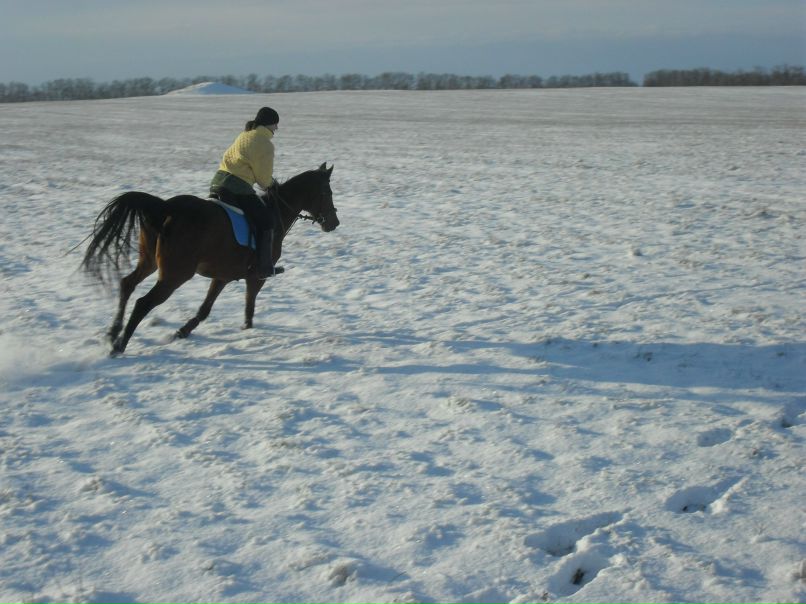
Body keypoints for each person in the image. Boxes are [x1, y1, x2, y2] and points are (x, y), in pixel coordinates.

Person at [210, 106, 281, 279]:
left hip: (217, 183)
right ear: (269, 124)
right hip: (238, 188)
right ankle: (264, 267)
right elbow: (263, 180)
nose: (277, 129)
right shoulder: (265, 144)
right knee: (266, 220)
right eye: (276, 124)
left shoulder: (243, 135)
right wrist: (273, 184)